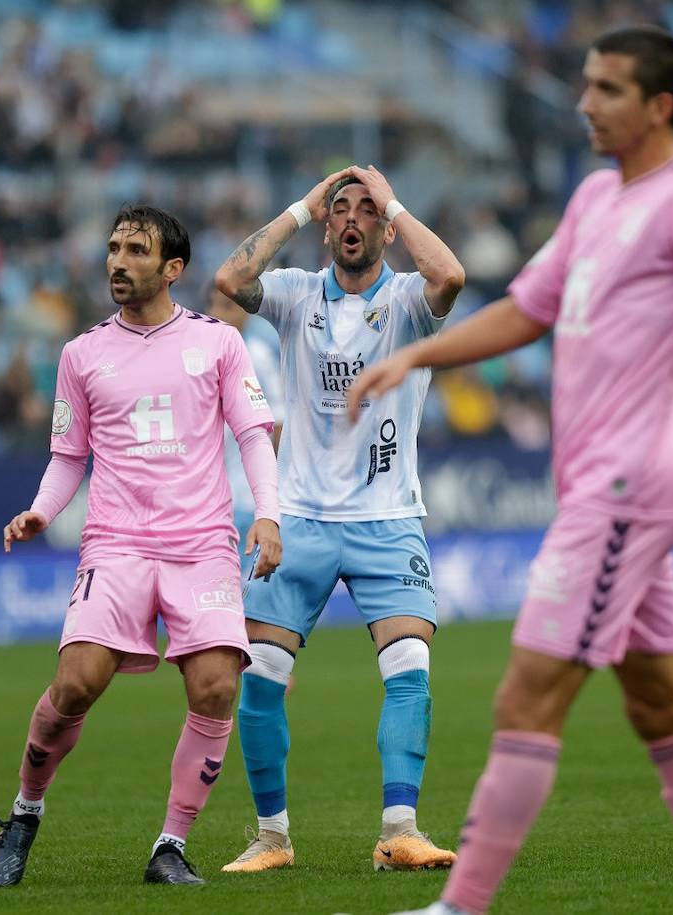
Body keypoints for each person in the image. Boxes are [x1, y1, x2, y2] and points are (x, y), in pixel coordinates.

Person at [349, 26, 673, 915]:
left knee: (525, 695)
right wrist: (412, 358)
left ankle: (458, 906)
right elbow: (525, 310)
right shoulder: (594, 199)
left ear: (660, 106)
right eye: (585, 85)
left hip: (630, 485)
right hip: (604, 487)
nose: (584, 102)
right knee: (663, 708)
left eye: (607, 90)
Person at [0, 204, 283, 888]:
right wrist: (39, 509)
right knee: (76, 682)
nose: (118, 261)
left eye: (136, 250)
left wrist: (268, 514)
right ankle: (26, 811)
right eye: (114, 248)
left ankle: (170, 845)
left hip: (201, 544)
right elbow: (68, 457)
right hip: (116, 544)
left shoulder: (217, 343)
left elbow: (253, 435)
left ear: (172, 268)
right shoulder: (81, 353)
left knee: (216, 686)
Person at [212, 164, 465, 873]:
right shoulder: (296, 295)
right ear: (329, 225)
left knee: (410, 665)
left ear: (385, 227)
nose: (352, 219)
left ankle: (400, 830)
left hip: (389, 517)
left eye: (366, 211)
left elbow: (452, 276)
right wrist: (300, 205)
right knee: (260, 672)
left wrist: (394, 201)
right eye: (341, 210)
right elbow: (231, 281)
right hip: (299, 518)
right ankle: (272, 837)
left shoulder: (411, 300)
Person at [207, 284, 286, 577]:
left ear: (247, 314)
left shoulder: (258, 357)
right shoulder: (205, 358)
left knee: (241, 589)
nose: (217, 314)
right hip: (212, 496)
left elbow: (279, 422)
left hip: (246, 497)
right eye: (213, 305)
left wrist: (275, 491)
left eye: (226, 307)